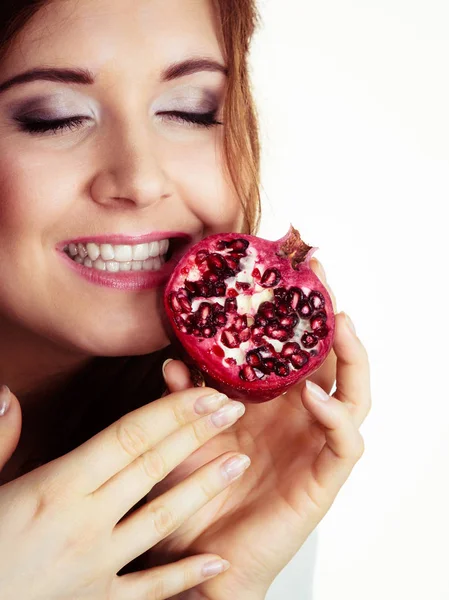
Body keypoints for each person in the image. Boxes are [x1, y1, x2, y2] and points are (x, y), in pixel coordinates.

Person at [0, 0, 371, 598]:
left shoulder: (220, 477)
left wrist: (205, 585)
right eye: (54, 117)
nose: (142, 180)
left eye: (190, 111)